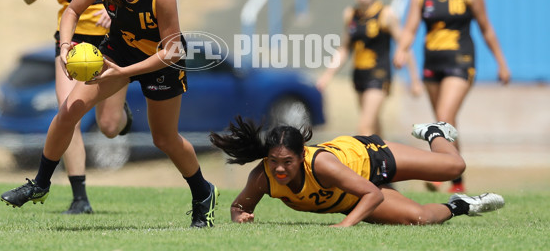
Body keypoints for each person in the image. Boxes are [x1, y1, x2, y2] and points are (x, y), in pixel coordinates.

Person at [1, 0, 219, 228]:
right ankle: (40, 184)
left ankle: (203, 191)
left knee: (164, 138)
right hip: (119, 51)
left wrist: (125, 73)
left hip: (161, 63)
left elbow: (172, 51)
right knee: (69, 111)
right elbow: (71, 11)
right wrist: (65, 47)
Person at [20, 0, 132, 214]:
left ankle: (122, 116)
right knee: (67, 112)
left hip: (110, 37)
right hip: (69, 37)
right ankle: (79, 197)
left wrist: (117, 12)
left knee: (109, 127)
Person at [209, 116, 504, 227]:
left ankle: (433, 132)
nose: (280, 168)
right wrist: (239, 215)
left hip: (369, 160)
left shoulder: (320, 164)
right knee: (420, 218)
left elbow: (373, 192)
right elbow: (238, 205)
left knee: (454, 166)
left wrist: (345, 227)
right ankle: (461, 205)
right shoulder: (263, 176)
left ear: (302, 156)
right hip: (354, 198)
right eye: (274, 161)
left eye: (287, 161)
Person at [393, 0, 510, 193]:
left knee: (444, 118)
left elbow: (486, 28)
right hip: (432, 65)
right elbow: (411, 28)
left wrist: (501, 63)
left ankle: (438, 171)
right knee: (447, 123)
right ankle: (457, 181)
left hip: (461, 63)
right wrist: (402, 50)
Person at [317, 0, 422, 136]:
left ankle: (365, 160)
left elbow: (405, 45)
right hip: (359, 74)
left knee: (364, 127)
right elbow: (344, 48)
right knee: (373, 125)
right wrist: (326, 76)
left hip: (379, 74)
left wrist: (414, 80)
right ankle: (385, 159)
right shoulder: (350, 14)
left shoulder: (385, 14)